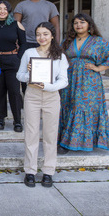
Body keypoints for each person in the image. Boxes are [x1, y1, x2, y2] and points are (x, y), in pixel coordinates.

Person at [59, 13, 109, 153]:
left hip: (90, 82)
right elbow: (57, 59)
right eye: (75, 23)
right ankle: (66, 142)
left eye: (82, 22)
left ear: (89, 25)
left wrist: (99, 68)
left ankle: (85, 141)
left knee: (83, 108)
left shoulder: (98, 41)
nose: (78, 25)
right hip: (70, 80)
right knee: (70, 106)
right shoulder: (67, 41)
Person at [16, 22, 68, 188]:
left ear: (52, 35)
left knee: (50, 135)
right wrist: (29, 74)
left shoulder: (59, 55)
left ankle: (48, 171)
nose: (41, 37)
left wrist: (48, 86)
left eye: (45, 34)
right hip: (32, 95)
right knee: (31, 134)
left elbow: (64, 80)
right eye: (38, 34)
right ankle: (30, 171)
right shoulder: (29, 53)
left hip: (52, 96)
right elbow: (19, 75)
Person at [13, 0, 60, 92]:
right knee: (26, 69)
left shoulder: (50, 5)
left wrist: (56, 43)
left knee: (47, 68)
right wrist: (16, 42)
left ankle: (45, 91)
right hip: (26, 42)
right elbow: (15, 25)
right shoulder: (21, 5)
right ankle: (27, 94)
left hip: (45, 42)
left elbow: (56, 25)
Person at [0, 0, 27, 132]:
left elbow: (24, 44)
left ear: (9, 11)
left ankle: (17, 120)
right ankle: (1, 118)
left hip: (12, 61)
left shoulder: (16, 24)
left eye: (5, 9)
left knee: (14, 92)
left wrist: (18, 57)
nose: (2, 11)